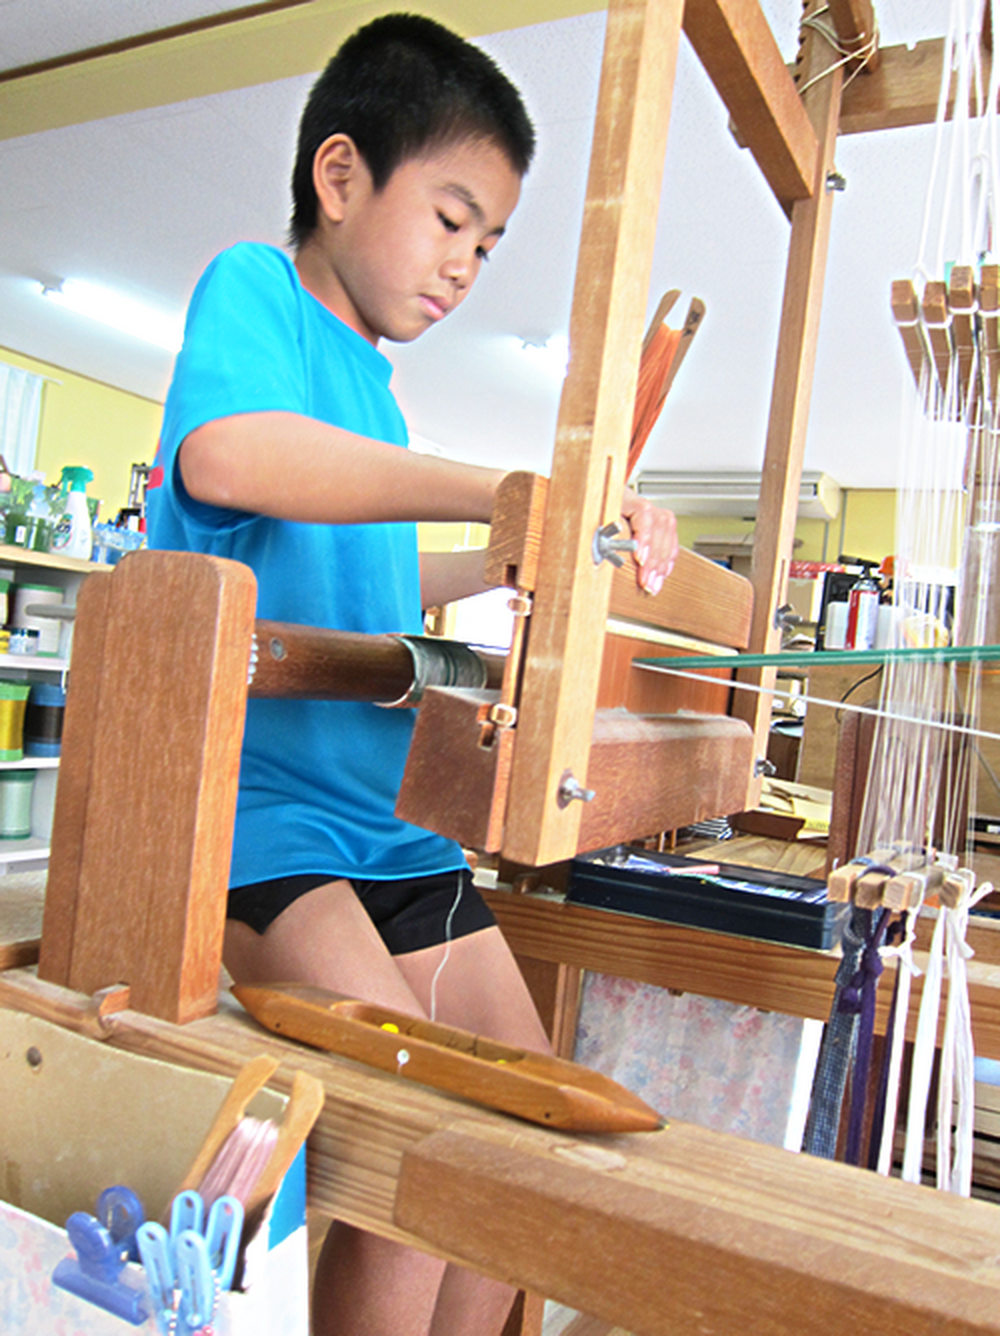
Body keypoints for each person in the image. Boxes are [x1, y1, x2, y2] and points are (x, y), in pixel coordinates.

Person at [146, 13, 677, 1334]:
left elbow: (371, 575)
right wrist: (503, 491)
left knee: (530, 1148)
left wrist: (526, 554)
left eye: (488, 246)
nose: (466, 267)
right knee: (422, 1144)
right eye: (451, 219)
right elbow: (227, 457)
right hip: (264, 824)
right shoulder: (256, 293)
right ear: (340, 176)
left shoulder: (376, 397)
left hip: (390, 832)